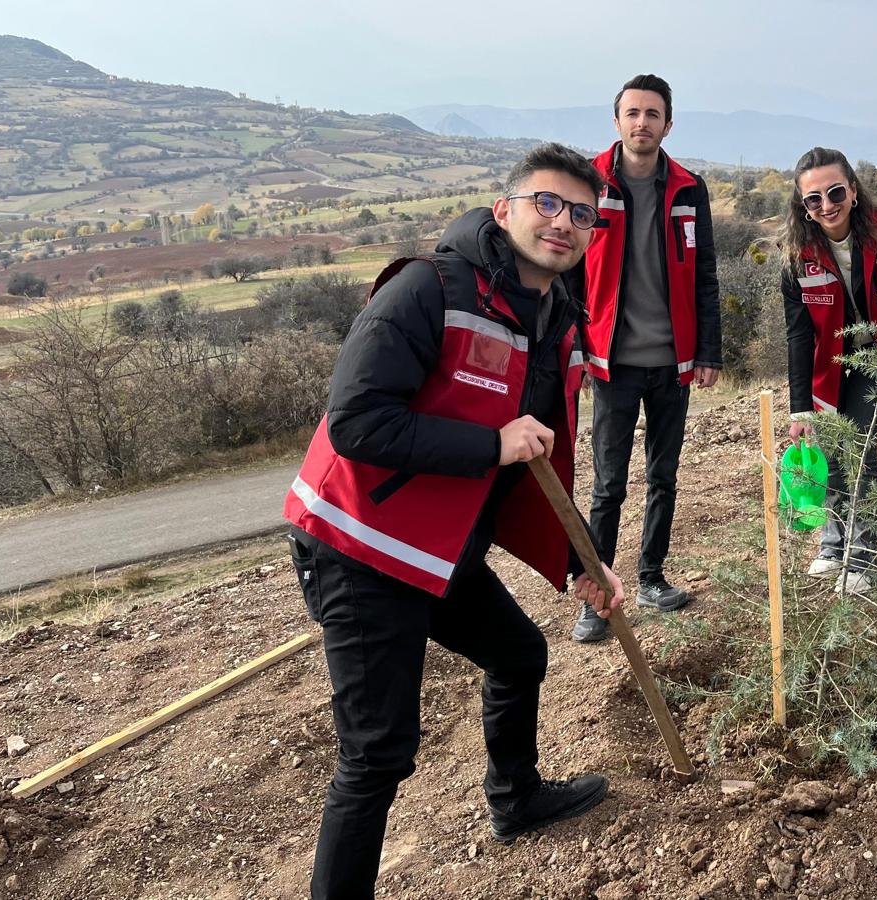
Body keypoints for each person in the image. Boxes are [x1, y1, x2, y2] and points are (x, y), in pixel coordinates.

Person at [283, 144, 622, 900]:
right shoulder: (427, 288)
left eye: (581, 214)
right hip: (359, 543)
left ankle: (517, 800)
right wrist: (489, 444)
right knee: (376, 755)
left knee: (519, 654)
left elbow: (544, 459)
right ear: (504, 210)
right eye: (547, 203)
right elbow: (357, 423)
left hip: (442, 544)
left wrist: (582, 564)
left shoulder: (557, 317)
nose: (562, 222)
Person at [572, 74, 722, 642]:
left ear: (667, 124)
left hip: (672, 362)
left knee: (664, 475)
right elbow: (568, 272)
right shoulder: (588, 182)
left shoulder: (689, 187)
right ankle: (596, 595)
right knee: (608, 485)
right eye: (632, 113)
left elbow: (705, 272)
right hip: (610, 362)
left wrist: (708, 349)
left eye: (652, 114)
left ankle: (651, 578)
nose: (642, 123)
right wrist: (573, 346)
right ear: (617, 122)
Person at [779, 147, 877, 596]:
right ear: (802, 206)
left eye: (834, 192)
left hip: (875, 357)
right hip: (826, 365)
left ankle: (864, 555)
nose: (826, 205)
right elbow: (798, 336)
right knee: (829, 452)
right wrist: (800, 408)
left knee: (859, 447)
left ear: (852, 190)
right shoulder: (796, 256)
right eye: (814, 199)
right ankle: (833, 543)